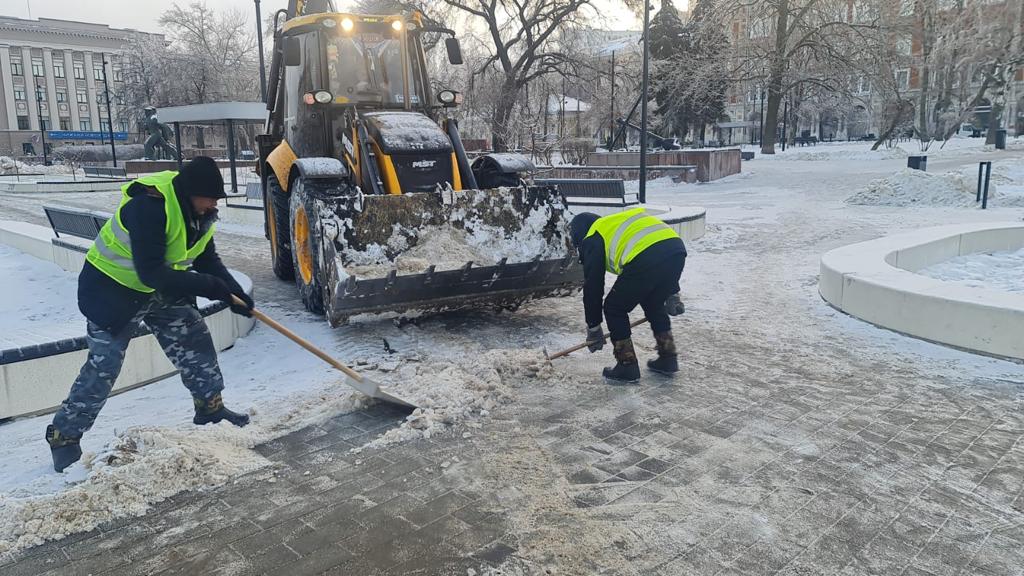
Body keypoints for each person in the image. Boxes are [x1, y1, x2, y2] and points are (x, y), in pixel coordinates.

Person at [45, 157, 255, 473]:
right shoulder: (150, 205)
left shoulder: (201, 214)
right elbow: (151, 272)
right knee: (105, 365)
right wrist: (213, 287)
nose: (213, 204)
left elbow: (207, 260)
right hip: (112, 290)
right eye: (209, 198)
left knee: (194, 338)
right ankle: (63, 435)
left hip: (159, 287)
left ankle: (210, 408)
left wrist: (234, 291)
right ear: (190, 193)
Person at [570, 208, 687, 384]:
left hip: (647, 255)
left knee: (614, 307)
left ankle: (627, 365)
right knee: (654, 302)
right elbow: (658, 247)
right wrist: (671, 292)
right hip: (676, 249)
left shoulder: (593, 236)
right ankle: (668, 357)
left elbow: (593, 286)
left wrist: (593, 327)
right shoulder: (613, 224)